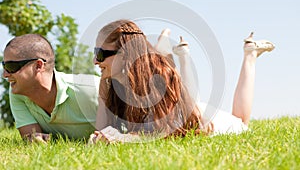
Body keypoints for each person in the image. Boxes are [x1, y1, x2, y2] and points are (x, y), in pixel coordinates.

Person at [90, 19, 275, 143]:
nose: (95, 61)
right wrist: (100, 138)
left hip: (205, 121)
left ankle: (249, 55)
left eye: (100, 54)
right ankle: (180, 53)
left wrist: (124, 138)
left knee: (242, 121)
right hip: (185, 109)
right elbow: (101, 130)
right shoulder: (107, 84)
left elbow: (166, 131)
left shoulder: (158, 76)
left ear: (124, 54)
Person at [2, 34, 100, 143]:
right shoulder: (18, 94)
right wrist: (35, 139)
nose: (5, 74)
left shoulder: (93, 89)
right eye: (4, 66)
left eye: (11, 67)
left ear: (38, 66)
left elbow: (120, 128)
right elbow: (32, 138)